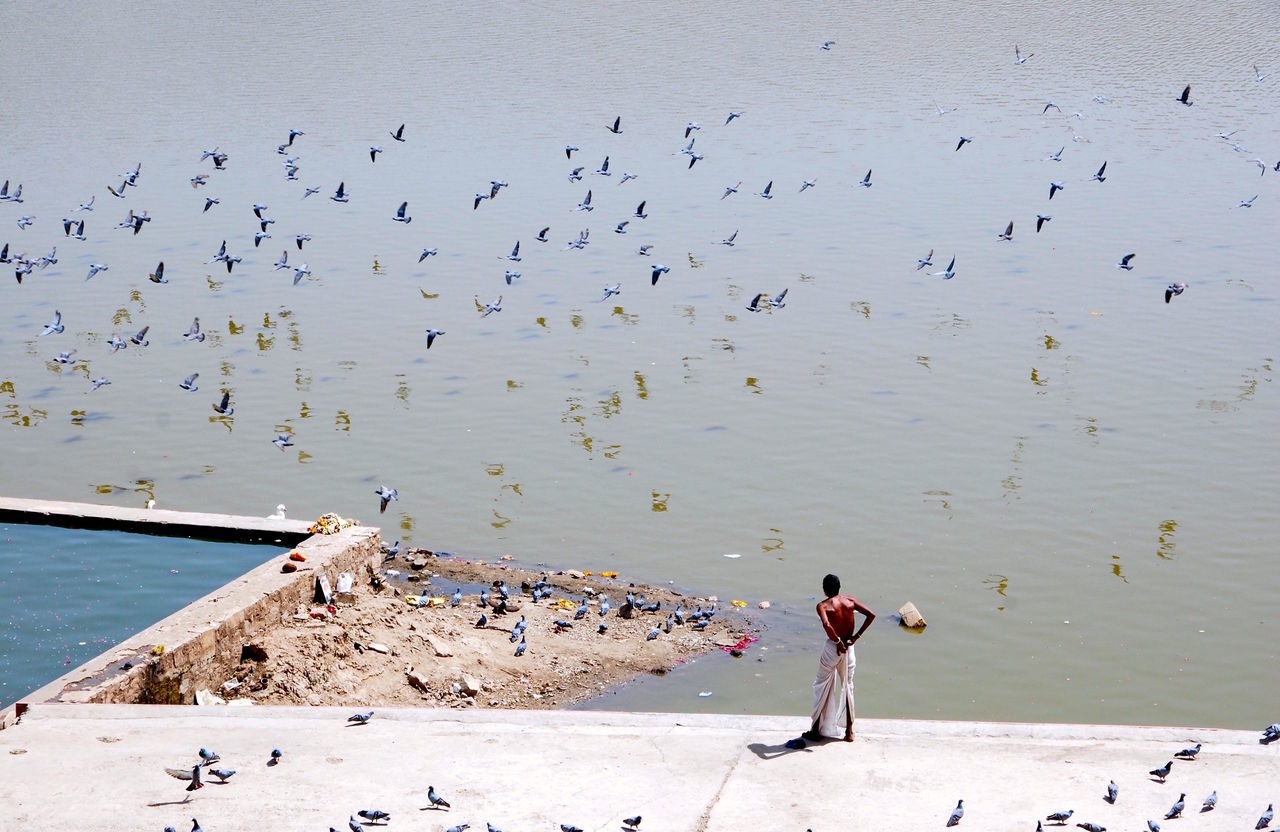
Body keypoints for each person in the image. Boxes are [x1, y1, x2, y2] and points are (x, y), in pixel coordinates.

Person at [804, 573, 875, 742]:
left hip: (832, 648)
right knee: (848, 686)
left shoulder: (822, 606)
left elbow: (827, 625)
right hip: (850, 647)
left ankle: (816, 730)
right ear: (839, 587)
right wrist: (855, 637)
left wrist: (837, 641)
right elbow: (871, 614)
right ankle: (849, 732)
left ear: (824, 589)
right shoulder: (850, 601)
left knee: (821, 685)